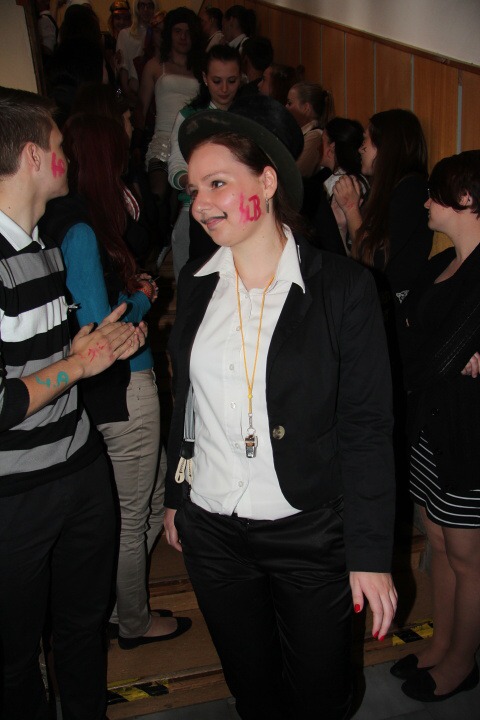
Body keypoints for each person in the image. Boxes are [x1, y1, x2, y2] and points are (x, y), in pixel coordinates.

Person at [163, 95, 397, 720]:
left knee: (321, 694)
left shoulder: (343, 290)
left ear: (266, 182)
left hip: (308, 529)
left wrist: (369, 554)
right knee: (253, 688)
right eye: (193, 188)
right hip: (212, 529)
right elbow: (188, 403)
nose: (201, 203)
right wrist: (177, 493)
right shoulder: (196, 284)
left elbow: (367, 427)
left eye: (218, 183)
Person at [0, 87, 144, 720]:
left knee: (84, 631)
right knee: (14, 660)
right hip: (16, 495)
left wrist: (91, 347)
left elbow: (43, 364)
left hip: (79, 468)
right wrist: (77, 365)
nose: (70, 157)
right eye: (60, 145)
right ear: (34, 156)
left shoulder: (42, 248)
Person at [40, 112, 192, 650]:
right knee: (134, 513)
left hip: (110, 388)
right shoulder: (79, 228)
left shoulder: (61, 222)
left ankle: (114, 606)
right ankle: (131, 620)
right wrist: (144, 298)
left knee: (145, 504)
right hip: (123, 387)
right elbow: (102, 327)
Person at [391, 150, 480, 703]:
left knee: (469, 556)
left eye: (436, 193)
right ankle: (442, 643)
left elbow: (431, 356)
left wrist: (441, 355)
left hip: (469, 436)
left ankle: (462, 662)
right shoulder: (442, 261)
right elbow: (410, 339)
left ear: (466, 199)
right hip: (432, 426)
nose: (426, 202)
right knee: (441, 544)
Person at [333, 109, 433, 314]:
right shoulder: (384, 190)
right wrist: (342, 227)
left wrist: (351, 209)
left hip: (392, 308)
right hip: (372, 300)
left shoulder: (412, 189)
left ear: (386, 146)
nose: (360, 149)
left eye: (366, 140)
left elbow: (372, 258)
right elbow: (355, 259)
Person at [168, 44, 242, 277]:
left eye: (232, 81)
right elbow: (176, 164)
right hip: (197, 205)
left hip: (240, 207)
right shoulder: (190, 117)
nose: (224, 89)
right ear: (205, 78)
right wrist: (190, 183)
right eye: (217, 81)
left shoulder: (248, 115)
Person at [138, 7, 201, 255]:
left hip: (192, 141)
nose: (183, 37)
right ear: (169, 34)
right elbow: (142, 107)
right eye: (177, 31)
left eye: (188, 32)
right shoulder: (155, 66)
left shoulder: (201, 70)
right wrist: (136, 143)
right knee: (158, 191)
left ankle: (172, 245)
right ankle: (159, 245)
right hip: (162, 138)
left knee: (182, 194)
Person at [305, 116, 368, 255]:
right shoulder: (353, 177)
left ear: (332, 148)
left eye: (322, 141)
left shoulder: (341, 185)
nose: (317, 147)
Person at [286, 81, 335, 178]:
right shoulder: (300, 134)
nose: (286, 107)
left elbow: (294, 174)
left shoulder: (315, 137)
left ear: (306, 108)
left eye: (289, 103)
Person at [116, 0, 158, 104]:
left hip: (155, 90)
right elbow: (123, 66)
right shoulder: (125, 34)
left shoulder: (159, 35)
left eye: (149, 6)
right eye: (142, 5)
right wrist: (127, 91)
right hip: (133, 89)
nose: (146, 10)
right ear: (137, 8)